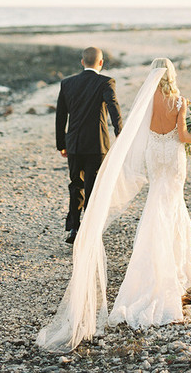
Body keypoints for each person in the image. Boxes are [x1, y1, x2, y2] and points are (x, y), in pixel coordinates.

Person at [37, 58, 191, 352]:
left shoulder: (147, 102)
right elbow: (182, 136)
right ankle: (175, 269)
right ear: (172, 75)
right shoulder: (178, 100)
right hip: (174, 159)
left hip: (155, 156)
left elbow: (134, 134)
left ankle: (152, 270)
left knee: (156, 204)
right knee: (173, 205)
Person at [55, 46, 123, 244]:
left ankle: (74, 229)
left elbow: (61, 117)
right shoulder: (106, 82)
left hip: (74, 143)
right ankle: (90, 229)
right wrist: (120, 133)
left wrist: (61, 144)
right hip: (97, 144)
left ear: (82, 62)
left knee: (76, 185)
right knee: (94, 186)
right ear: (101, 63)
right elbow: (113, 107)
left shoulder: (67, 83)